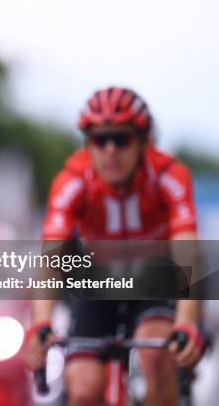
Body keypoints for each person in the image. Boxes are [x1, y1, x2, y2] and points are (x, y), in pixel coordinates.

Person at [27, 86, 204, 405]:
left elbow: (188, 251)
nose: (110, 150)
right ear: (88, 144)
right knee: (82, 389)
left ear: (142, 141)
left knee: (156, 358)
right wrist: (41, 322)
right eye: (99, 139)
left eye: (121, 139)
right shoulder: (72, 180)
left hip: (153, 283)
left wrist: (188, 322)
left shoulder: (169, 174)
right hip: (98, 288)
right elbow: (51, 257)